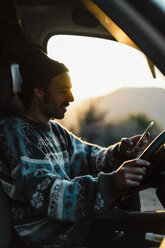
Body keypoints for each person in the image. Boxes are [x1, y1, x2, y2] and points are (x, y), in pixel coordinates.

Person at [0, 49, 151, 248]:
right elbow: (46, 195)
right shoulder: (14, 133)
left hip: (69, 224)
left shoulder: (54, 130)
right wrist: (112, 182)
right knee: (140, 226)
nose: (71, 98)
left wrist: (121, 152)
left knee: (139, 221)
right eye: (63, 91)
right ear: (39, 92)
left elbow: (90, 157)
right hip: (44, 234)